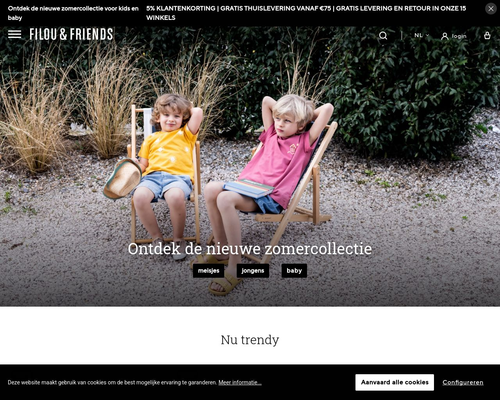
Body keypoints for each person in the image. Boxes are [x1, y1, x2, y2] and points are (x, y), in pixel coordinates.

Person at [198, 94, 333, 295]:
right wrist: (288, 113)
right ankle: (221, 250)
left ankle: (235, 266)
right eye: (278, 118)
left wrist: (303, 115)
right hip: (247, 187)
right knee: (210, 188)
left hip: (270, 197)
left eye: (287, 121)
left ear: (301, 125)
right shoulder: (271, 134)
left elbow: (328, 108)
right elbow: (266, 101)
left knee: (224, 198)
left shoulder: (304, 141)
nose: (280, 124)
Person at [133, 93, 203, 260]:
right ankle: (157, 238)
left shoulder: (186, 134)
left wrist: (184, 107)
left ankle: (178, 239)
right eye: (166, 115)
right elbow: (143, 165)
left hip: (177, 178)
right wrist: (134, 166)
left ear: (183, 118)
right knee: (139, 197)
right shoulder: (150, 139)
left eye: (176, 116)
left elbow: (198, 112)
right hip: (152, 177)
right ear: (157, 117)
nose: (171, 119)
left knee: (175, 196)